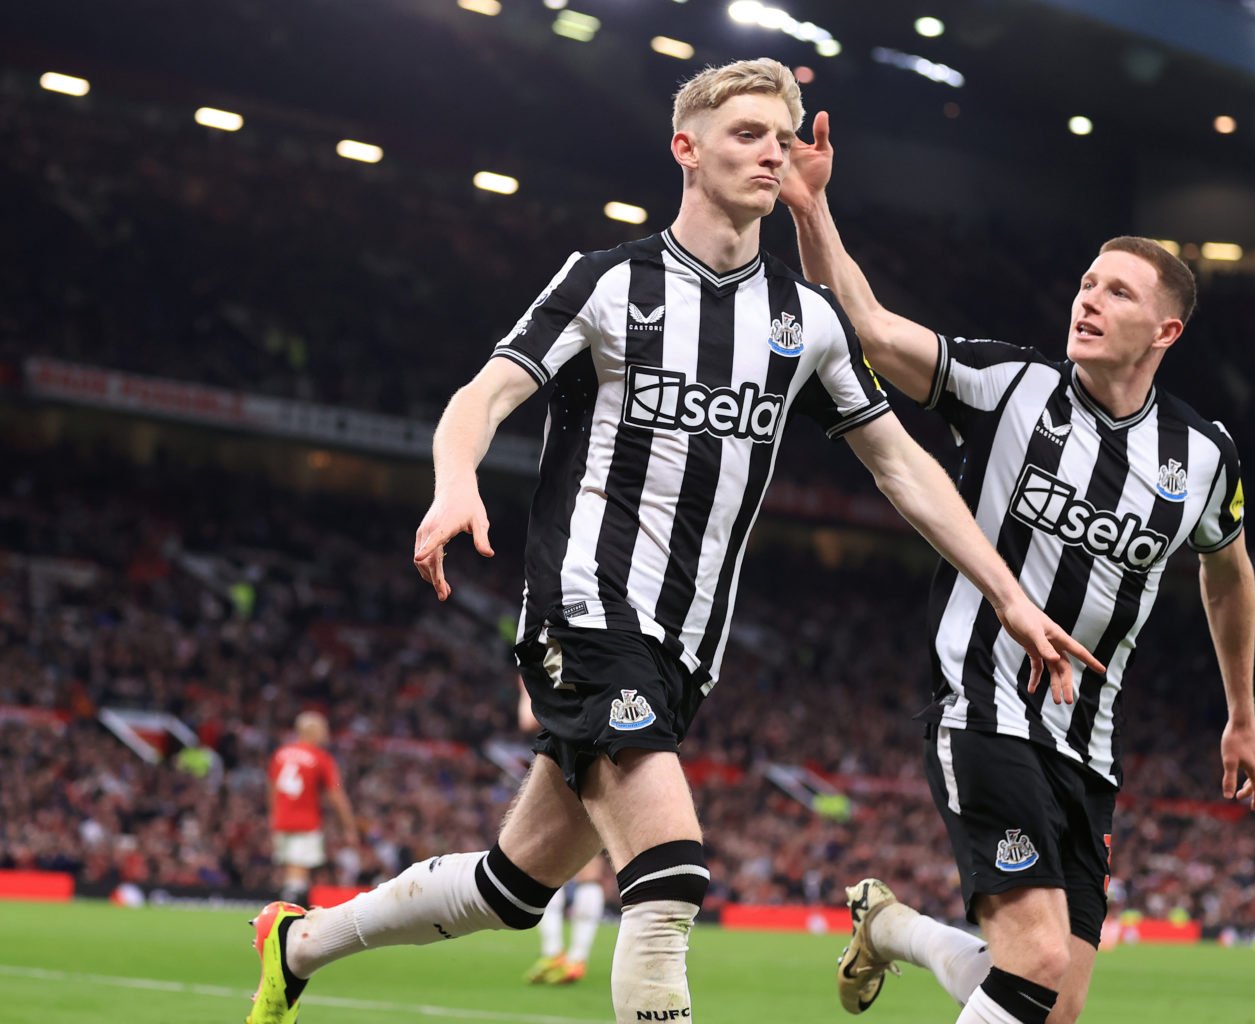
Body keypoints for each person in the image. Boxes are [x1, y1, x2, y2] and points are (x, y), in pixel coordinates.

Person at [242, 58, 1100, 1024]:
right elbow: (483, 395)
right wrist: (453, 484)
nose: (770, 152)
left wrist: (1011, 597)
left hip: (685, 650)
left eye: (781, 138)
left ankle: (298, 941)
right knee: (671, 871)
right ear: (685, 149)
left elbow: (902, 466)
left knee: (513, 887)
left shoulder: (802, 319)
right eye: (745, 134)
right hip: (587, 607)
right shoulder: (608, 282)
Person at [779, 113, 1255, 1024]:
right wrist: (812, 210)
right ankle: (895, 932)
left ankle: (890, 929)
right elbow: (872, 331)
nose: (1088, 300)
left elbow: (1228, 573)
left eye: (1116, 292)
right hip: (985, 702)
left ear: (1165, 329)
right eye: (1086, 283)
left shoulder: (1203, 456)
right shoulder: (1011, 388)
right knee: (1037, 959)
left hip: (1088, 741)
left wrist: (1241, 713)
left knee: (1058, 1004)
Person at [516, 675, 608, 986]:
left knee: (550, 865)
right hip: (607, 767)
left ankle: (557, 953)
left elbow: (528, 719)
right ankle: (572, 958)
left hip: (565, 767)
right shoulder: (605, 666)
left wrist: (524, 685)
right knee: (587, 869)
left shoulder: (558, 670)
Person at [266, 711, 359, 908]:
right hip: (305, 821)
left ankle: (287, 908)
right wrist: (349, 826)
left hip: (281, 819)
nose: (326, 733)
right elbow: (336, 795)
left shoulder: (281, 754)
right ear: (312, 731)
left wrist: (273, 816)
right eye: (323, 729)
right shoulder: (320, 758)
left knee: (290, 868)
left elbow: (272, 788)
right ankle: (288, 915)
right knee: (298, 870)